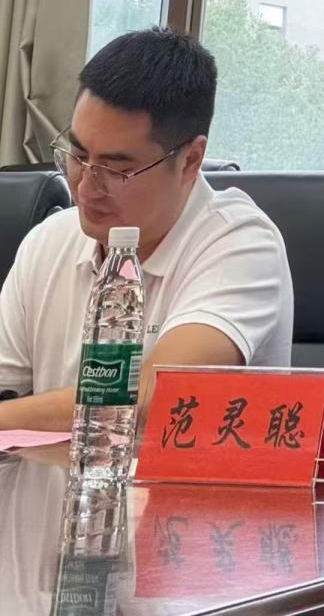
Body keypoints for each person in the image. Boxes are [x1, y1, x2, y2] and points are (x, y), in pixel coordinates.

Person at [0, 28, 293, 432]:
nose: (85, 187)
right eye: (78, 156)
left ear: (190, 160)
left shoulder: (242, 245)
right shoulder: (50, 239)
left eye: (117, 170)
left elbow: (155, 396)